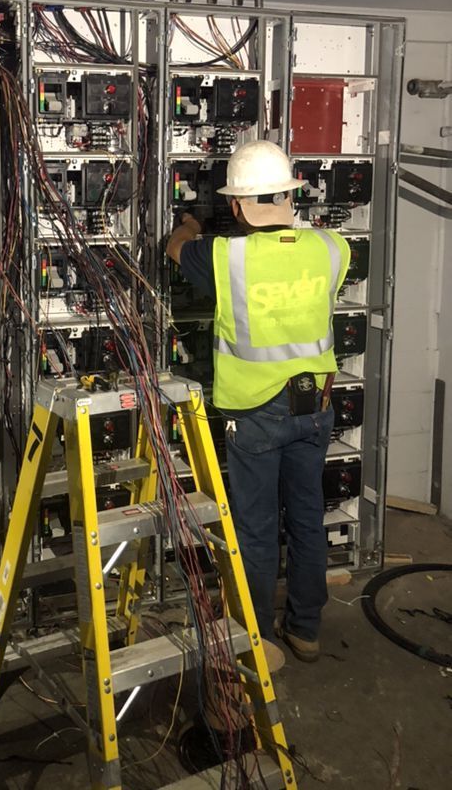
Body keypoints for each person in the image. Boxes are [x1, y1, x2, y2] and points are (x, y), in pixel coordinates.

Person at [166, 141, 350, 663]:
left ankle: (259, 637)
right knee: (309, 517)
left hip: (255, 416)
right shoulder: (334, 248)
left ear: (238, 206)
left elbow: (173, 248)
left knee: (257, 526)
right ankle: (306, 629)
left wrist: (190, 223)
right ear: (290, 196)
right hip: (315, 409)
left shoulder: (225, 257)